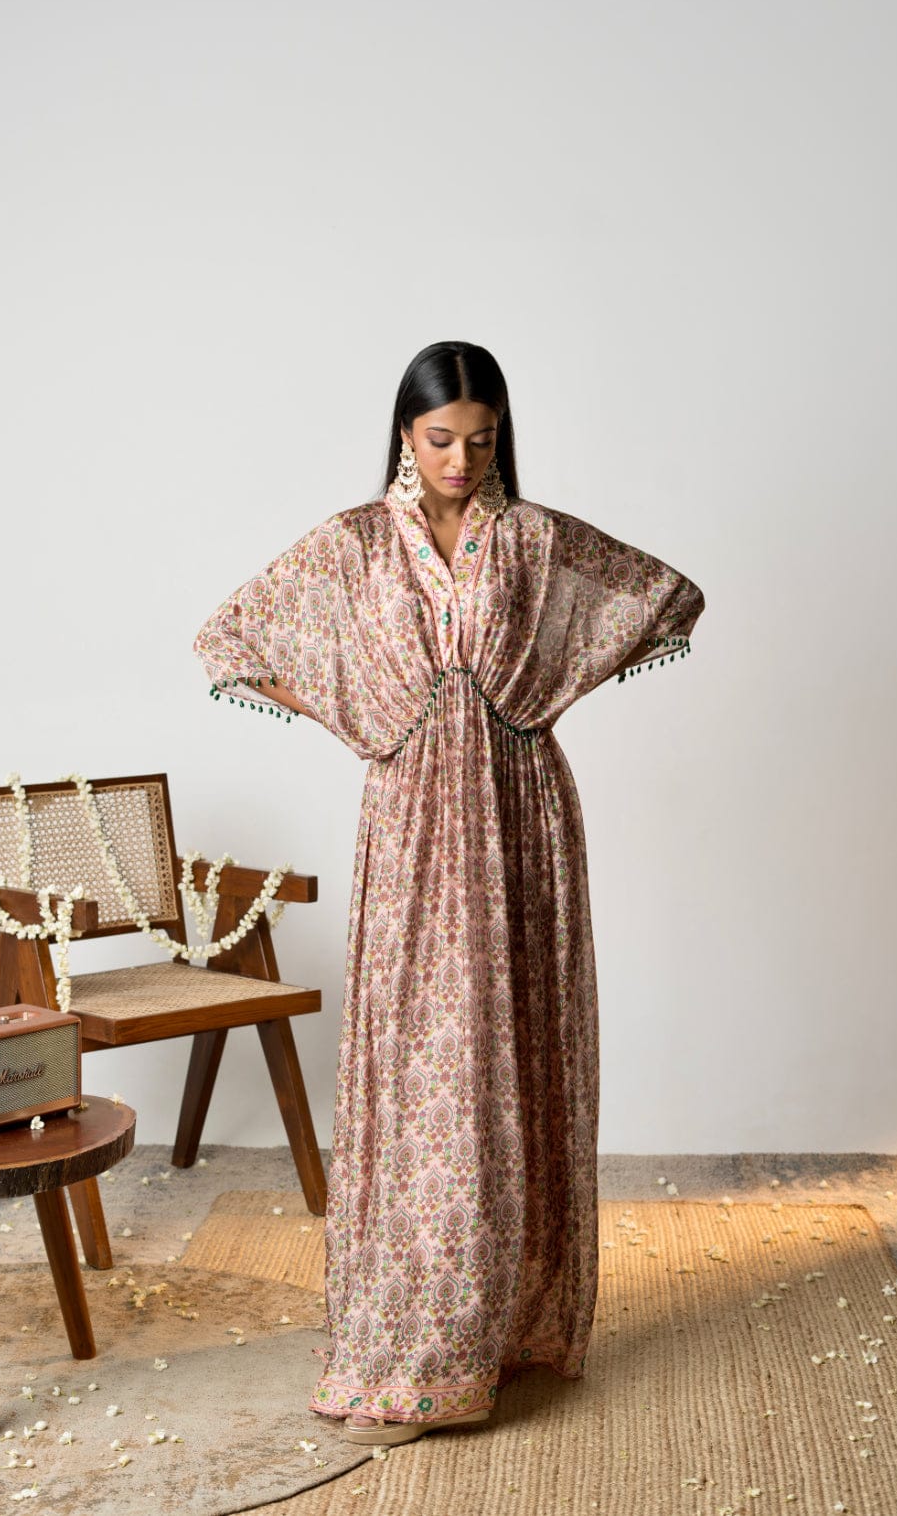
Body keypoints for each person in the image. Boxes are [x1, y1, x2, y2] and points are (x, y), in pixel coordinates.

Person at [193, 340, 706, 1448]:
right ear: (403, 434)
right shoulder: (353, 544)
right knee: (428, 1070)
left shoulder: (532, 541)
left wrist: (535, 691)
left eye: (481, 439)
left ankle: (508, 1328)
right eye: (440, 440)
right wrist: (361, 713)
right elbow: (228, 637)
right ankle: (413, 1343)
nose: (461, 461)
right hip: (414, 824)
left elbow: (665, 597)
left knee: (517, 1057)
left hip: (522, 814)